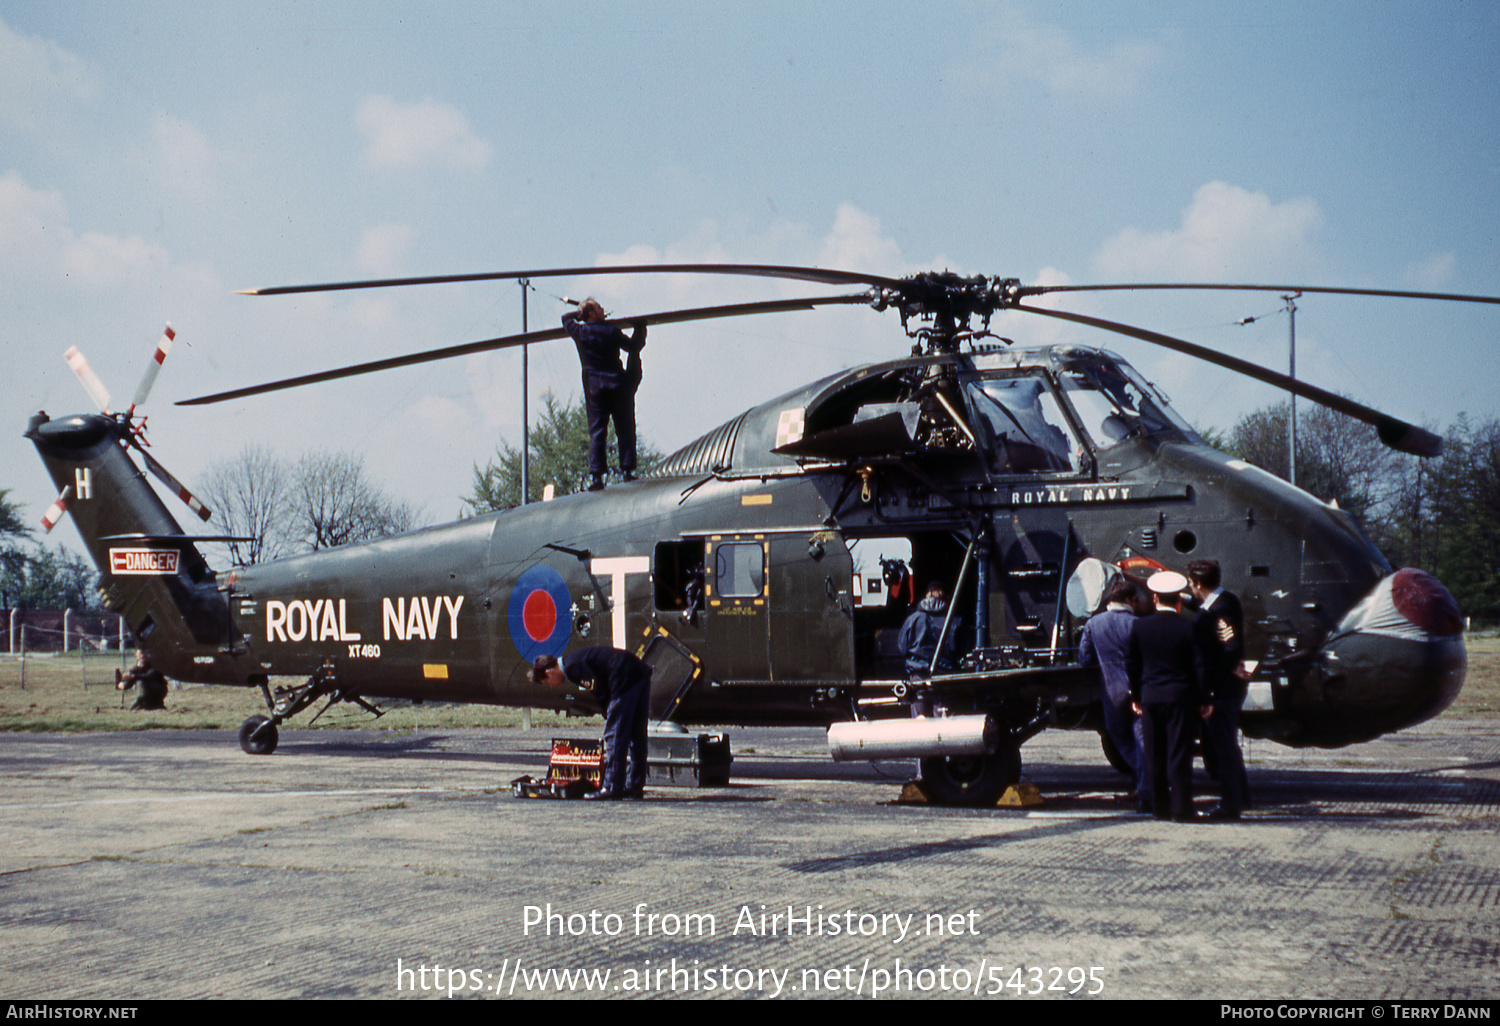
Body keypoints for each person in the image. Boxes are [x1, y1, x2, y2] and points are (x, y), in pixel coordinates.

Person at [1127, 571, 1211, 823]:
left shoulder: (1140, 627)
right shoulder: (1189, 628)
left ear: (1154, 599)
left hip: (1151, 697)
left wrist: (1137, 695)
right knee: (1179, 754)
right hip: (1181, 698)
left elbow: (1132, 663)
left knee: (1154, 754)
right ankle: (1181, 809)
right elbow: (1199, 667)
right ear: (1178, 600)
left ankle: (1159, 808)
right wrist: (1205, 699)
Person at [532, 647, 652, 800]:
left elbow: (599, 690)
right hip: (638, 673)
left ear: (549, 673)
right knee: (637, 735)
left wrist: (608, 712)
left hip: (623, 677)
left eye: (547, 682)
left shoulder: (572, 668)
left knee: (614, 735)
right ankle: (634, 786)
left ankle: (612, 786)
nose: (551, 685)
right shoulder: (574, 659)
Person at [1187, 559, 1250, 820]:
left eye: (1191, 583)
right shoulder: (1225, 600)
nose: (1190, 588)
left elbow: (1230, 646)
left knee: (1223, 748)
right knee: (1228, 746)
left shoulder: (1218, 611)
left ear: (1198, 583)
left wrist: (1214, 683)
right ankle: (1240, 795)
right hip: (1228, 688)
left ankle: (1230, 804)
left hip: (1220, 691)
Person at [561, 299, 646, 491]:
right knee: (624, 428)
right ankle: (627, 471)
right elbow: (633, 345)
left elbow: (565, 319)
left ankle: (597, 477)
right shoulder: (611, 331)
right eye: (599, 308)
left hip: (595, 388)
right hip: (617, 384)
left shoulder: (580, 332)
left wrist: (579, 313)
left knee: (597, 431)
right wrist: (639, 326)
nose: (603, 310)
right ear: (591, 312)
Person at [1078, 578, 1145, 805]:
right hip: (1139, 693)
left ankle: (1147, 782)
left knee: (1122, 740)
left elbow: (1084, 659)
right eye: (1135, 600)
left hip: (1112, 692)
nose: (1136, 604)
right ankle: (1150, 781)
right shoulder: (1137, 623)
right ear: (1127, 600)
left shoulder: (1093, 624)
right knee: (1142, 740)